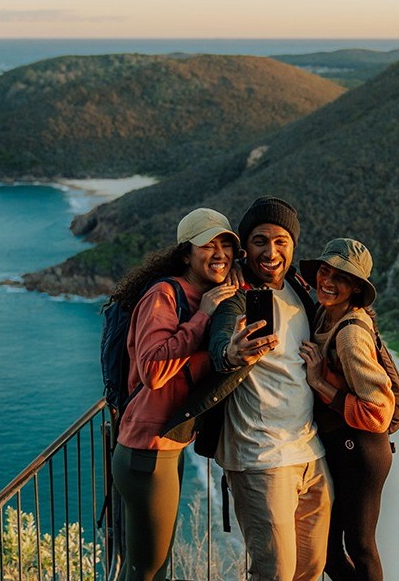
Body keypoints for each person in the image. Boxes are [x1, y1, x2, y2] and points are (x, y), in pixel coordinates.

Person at [162, 196, 333, 581]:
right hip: (261, 457)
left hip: (310, 451)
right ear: (245, 247)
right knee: (274, 573)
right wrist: (232, 352)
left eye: (280, 241)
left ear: (292, 245)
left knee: (311, 568)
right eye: (259, 241)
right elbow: (222, 344)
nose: (270, 252)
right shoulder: (235, 297)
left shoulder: (299, 290)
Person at [109, 207, 239, 581]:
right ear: (186, 253)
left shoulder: (203, 295)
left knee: (156, 565)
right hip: (145, 452)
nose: (219, 254)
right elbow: (152, 371)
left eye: (226, 245)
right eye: (207, 245)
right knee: (145, 570)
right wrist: (203, 316)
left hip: (165, 448)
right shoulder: (165, 295)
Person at [298, 238, 396, 581]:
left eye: (340, 277)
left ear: (355, 287)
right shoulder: (326, 312)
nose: (327, 280)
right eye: (325, 270)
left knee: (360, 545)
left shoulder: (350, 336)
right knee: (326, 548)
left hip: (363, 449)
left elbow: (379, 412)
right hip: (343, 447)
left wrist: (318, 382)